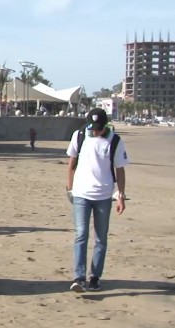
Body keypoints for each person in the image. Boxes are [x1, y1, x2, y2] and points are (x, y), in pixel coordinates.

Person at [66, 108, 128, 292]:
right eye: (92, 127)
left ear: (105, 126)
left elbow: (120, 170)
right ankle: (79, 277)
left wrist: (121, 196)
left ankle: (95, 277)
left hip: (103, 196)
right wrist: (69, 189)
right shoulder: (79, 136)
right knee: (81, 234)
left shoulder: (115, 141)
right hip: (81, 194)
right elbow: (71, 164)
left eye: (99, 128)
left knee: (101, 238)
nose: (95, 131)